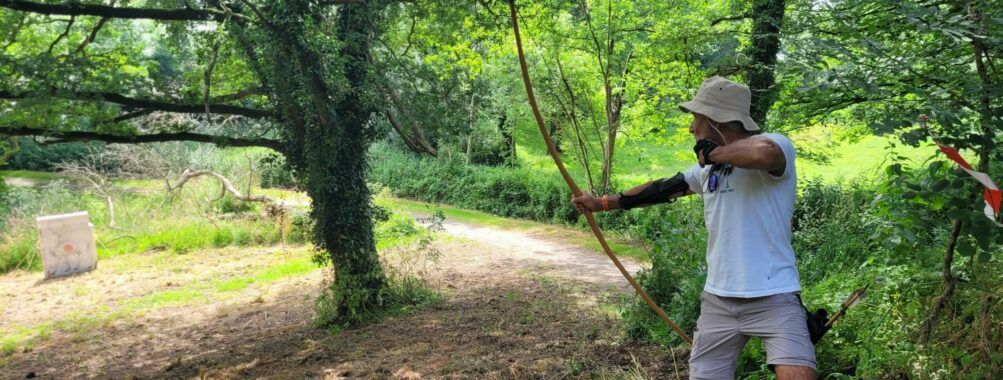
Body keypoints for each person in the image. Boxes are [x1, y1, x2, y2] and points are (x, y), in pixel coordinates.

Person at [571, 76, 815, 380]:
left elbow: (761, 153)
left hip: (775, 296)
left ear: (715, 121)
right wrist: (602, 203)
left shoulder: (778, 146)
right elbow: (662, 189)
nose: (691, 128)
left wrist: (711, 153)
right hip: (718, 301)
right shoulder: (709, 170)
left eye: (696, 119)